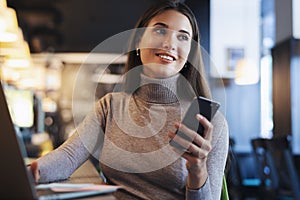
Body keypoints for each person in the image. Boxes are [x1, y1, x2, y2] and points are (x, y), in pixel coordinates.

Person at [30, 0, 229, 199]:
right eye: (160, 31)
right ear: (138, 41)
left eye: (183, 37)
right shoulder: (110, 106)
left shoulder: (211, 122)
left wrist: (198, 170)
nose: (170, 44)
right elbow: (68, 157)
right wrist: (31, 172)